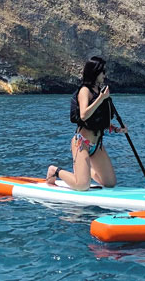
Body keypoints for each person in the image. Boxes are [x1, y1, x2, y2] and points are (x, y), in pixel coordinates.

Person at [46, 56, 127, 190]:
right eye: (102, 72)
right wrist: (101, 98)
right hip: (82, 143)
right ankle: (55, 170)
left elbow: (98, 120)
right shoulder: (85, 91)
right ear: (95, 72)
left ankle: (84, 170)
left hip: (97, 145)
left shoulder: (99, 92)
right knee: (82, 185)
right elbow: (84, 115)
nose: (104, 75)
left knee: (110, 183)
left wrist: (117, 129)